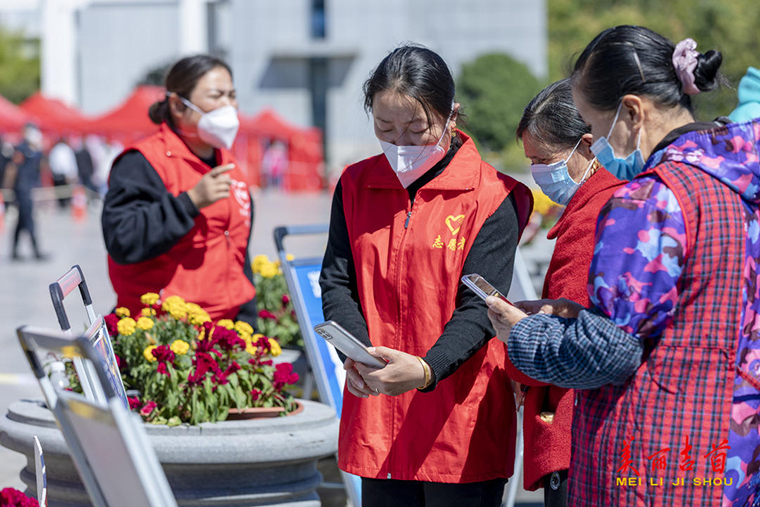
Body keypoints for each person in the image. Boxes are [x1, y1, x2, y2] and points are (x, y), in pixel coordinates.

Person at [487, 26, 760, 506]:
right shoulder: (737, 184)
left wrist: (522, 334)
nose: (594, 141)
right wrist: (570, 314)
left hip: (650, 463)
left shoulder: (650, 200)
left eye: (595, 125)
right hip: (729, 453)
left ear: (632, 111)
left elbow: (609, 352)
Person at [319, 45, 532, 507]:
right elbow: (337, 280)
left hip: (458, 420)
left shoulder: (494, 196)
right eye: (385, 128)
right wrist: (357, 356)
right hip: (378, 414)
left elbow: (481, 307)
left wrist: (424, 370)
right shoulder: (355, 185)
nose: (401, 144)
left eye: (417, 129)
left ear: (451, 115)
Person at [509, 78, 625, 507]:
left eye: (545, 159)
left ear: (587, 146)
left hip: (576, 431)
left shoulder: (592, 215)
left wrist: (517, 334)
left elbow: (567, 337)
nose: (538, 173)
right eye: (531, 161)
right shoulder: (615, 198)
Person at [102, 54, 257, 325]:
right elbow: (122, 240)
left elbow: (237, 250)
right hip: (164, 335)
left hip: (224, 329)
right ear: (177, 104)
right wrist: (190, 202)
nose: (228, 106)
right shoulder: (143, 161)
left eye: (231, 96)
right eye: (216, 96)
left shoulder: (228, 161)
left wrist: (247, 323)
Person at [8, 123, 47, 261]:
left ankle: (14, 251)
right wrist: (9, 190)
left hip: (29, 187)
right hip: (22, 189)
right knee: (28, 220)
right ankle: (36, 251)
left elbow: (41, 167)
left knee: (21, 221)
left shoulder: (35, 150)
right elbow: (12, 170)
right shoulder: (21, 149)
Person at [49, 137, 78, 209]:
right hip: (64, 173)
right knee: (63, 189)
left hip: (60, 173)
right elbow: (70, 162)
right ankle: (64, 203)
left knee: (62, 189)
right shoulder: (65, 149)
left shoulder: (57, 149)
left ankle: (63, 203)